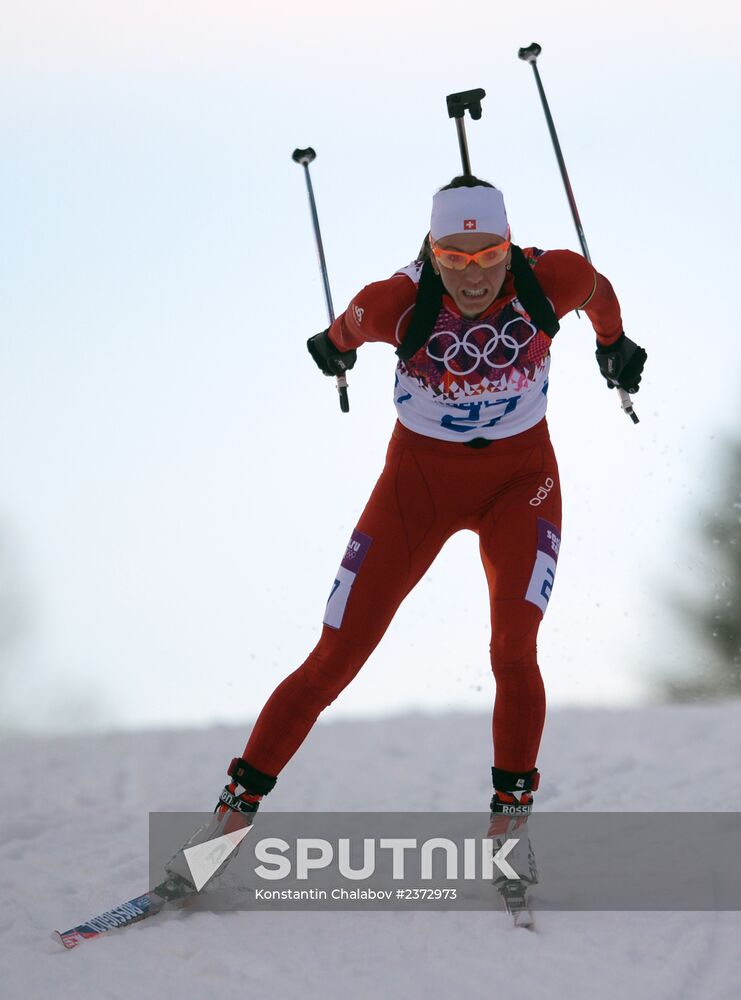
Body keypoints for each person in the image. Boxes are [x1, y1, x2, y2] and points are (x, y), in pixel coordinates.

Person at [165, 175, 647, 891]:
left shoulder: (556, 277)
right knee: (334, 657)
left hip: (522, 485)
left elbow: (599, 293)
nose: (473, 274)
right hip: (415, 488)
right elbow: (341, 332)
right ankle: (229, 821)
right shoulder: (392, 302)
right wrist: (333, 351)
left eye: (488, 256)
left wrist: (615, 344)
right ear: (430, 251)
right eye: (453, 259)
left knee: (514, 646)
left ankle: (507, 831)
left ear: (509, 248)